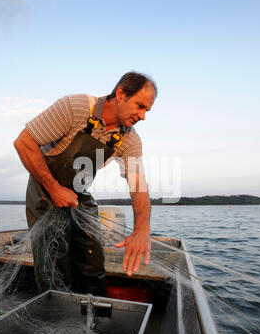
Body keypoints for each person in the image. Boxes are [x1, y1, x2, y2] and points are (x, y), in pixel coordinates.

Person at [14, 71, 157, 295]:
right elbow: (24, 142)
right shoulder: (75, 107)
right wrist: (54, 188)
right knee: (54, 256)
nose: (143, 116)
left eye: (147, 110)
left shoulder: (129, 139)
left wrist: (142, 230)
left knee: (92, 253)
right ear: (121, 94)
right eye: (140, 106)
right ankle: (59, 317)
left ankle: (93, 315)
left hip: (78, 193)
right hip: (44, 188)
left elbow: (138, 184)